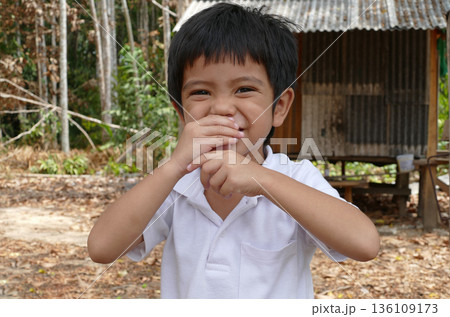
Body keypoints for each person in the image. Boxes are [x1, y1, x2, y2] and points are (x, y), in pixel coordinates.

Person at [88, 3, 380, 298]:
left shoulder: (294, 177)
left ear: (279, 107)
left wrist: (261, 180)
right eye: (201, 92)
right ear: (180, 112)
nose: (222, 107)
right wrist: (174, 166)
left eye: (244, 89)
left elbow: (364, 244)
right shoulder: (176, 185)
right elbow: (102, 248)